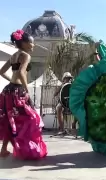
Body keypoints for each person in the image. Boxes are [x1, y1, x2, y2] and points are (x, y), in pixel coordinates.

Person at [0, 30, 47, 159]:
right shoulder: (26, 55)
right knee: (31, 119)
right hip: (18, 91)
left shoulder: (14, 55)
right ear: (25, 43)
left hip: (7, 91)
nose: (34, 45)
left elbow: (1, 71)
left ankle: (4, 149)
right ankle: (26, 148)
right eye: (32, 43)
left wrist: (11, 80)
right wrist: (26, 89)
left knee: (10, 120)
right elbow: (21, 73)